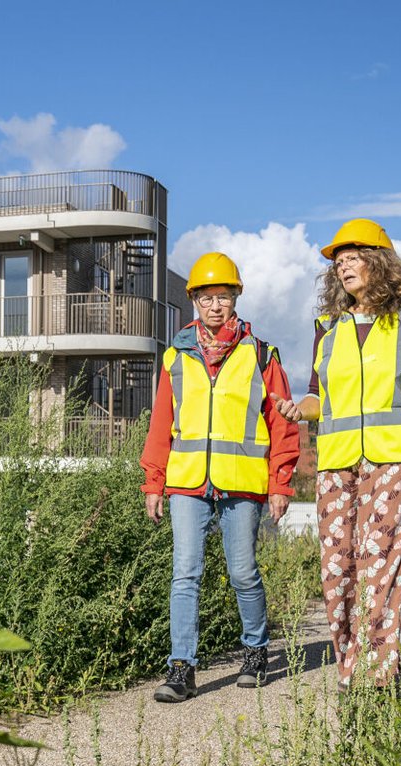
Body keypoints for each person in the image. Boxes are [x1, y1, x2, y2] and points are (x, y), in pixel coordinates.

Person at [273, 219, 401, 689]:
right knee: (338, 567)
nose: (343, 269)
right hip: (338, 461)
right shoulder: (328, 329)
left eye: (352, 259)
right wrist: (300, 408)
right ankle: (349, 665)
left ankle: (377, 677)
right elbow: (320, 396)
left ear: (379, 262)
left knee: (379, 560)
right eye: (338, 264)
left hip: (397, 455)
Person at [140, 252, 301, 702]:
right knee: (184, 574)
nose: (215, 306)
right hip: (187, 481)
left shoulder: (261, 355)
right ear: (194, 301)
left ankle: (255, 651)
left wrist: (280, 483)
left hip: (243, 482)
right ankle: (181, 668)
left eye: (223, 297)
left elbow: (282, 424)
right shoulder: (176, 355)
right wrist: (154, 481)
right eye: (207, 297)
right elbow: (160, 424)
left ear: (235, 299)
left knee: (243, 573)